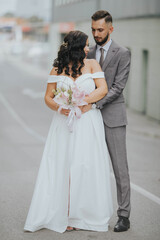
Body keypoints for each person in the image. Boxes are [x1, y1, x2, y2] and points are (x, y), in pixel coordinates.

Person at [24, 30, 113, 233]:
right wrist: (60, 107)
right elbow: (48, 97)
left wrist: (84, 101)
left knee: (84, 165)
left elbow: (102, 89)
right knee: (63, 166)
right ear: (75, 47)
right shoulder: (57, 68)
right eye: (85, 45)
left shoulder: (92, 64)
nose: (88, 48)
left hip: (87, 121)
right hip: (64, 123)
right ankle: (64, 214)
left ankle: (83, 214)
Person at [87, 10, 131, 232]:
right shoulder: (88, 53)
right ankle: (90, 212)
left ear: (111, 29)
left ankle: (124, 216)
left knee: (119, 169)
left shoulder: (122, 53)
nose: (96, 33)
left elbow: (118, 87)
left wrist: (94, 103)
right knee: (89, 166)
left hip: (112, 116)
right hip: (88, 118)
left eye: (100, 30)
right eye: (93, 29)